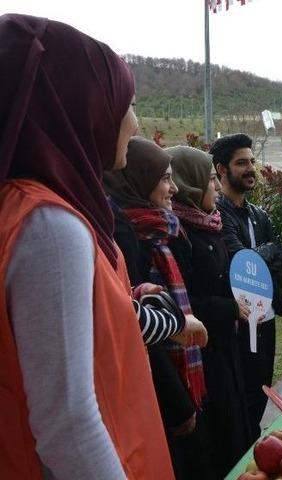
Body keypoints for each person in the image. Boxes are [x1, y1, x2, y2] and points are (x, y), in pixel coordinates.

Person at [0, 14, 172, 478]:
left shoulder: (26, 207)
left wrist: (120, 304)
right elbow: (69, 428)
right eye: (126, 102)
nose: (134, 124)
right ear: (79, 104)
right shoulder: (49, 224)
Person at [104, 136, 215, 479]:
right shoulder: (126, 230)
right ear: (138, 179)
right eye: (164, 179)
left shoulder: (161, 230)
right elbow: (131, 322)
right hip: (156, 387)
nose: (174, 189)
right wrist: (178, 403)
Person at [167, 145, 255, 478]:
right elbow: (185, 302)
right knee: (217, 438)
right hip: (202, 355)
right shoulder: (178, 233)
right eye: (210, 180)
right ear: (190, 183)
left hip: (225, 346)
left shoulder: (209, 223)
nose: (216, 187)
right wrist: (230, 307)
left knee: (237, 429)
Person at [210, 133, 282, 438]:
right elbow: (235, 260)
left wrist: (255, 260)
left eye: (252, 162)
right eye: (241, 163)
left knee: (261, 393)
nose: (250, 169)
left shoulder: (258, 214)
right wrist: (259, 258)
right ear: (221, 169)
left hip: (266, 319)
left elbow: (281, 258)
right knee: (241, 401)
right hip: (240, 322)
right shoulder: (217, 214)